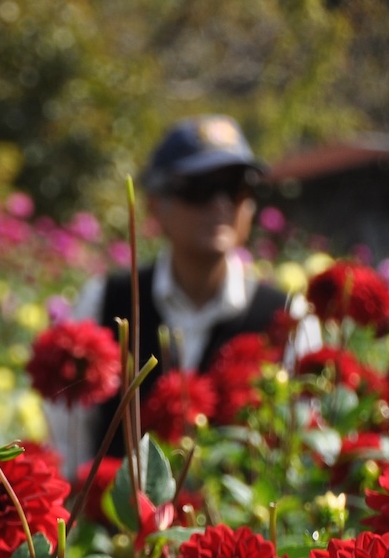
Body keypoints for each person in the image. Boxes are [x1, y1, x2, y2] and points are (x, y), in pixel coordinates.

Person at [47, 114, 314, 472]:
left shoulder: (286, 315)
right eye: (201, 188)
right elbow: (70, 444)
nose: (221, 204)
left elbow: (303, 455)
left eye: (237, 186)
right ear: (156, 203)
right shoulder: (106, 301)